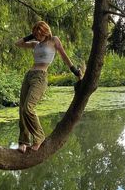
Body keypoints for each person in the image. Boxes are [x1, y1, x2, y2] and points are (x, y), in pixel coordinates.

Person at [15, 21, 82, 153]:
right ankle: (23, 141)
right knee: (22, 108)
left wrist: (75, 71)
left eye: (38, 33)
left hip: (40, 77)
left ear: (45, 32)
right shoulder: (35, 44)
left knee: (28, 107)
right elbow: (17, 43)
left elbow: (64, 56)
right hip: (29, 75)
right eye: (35, 34)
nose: (36, 37)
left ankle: (39, 137)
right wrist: (31, 36)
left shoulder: (54, 40)